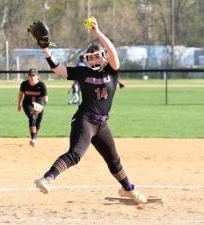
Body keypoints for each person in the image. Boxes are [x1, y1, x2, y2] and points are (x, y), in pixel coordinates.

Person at [35, 17, 147, 204]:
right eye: (91, 57)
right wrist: (45, 50)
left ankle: (127, 189)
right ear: (87, 60)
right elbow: (58, 69)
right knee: (75, 154)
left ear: (103, 57)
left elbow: (112, 51)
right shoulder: (83, 73)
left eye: (97, 56)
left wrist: (97, 32)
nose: (94, 59)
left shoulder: (112, 72)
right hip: (85, 121)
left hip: (102, 124)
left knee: (114, 160)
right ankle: (47, 178)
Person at [17, 69, 48, 147]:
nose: (31, 77)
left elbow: (46, 98)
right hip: (28, 103)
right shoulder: (24, 84)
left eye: (33, 75)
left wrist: (42, 105)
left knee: (38, 122)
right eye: (30, 75)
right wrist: (19, 104)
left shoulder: (41, 85)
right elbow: (21, 94)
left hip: (39, 103)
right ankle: (33, 139)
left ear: (37, 76)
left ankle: (34, 136)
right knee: (32, 117)